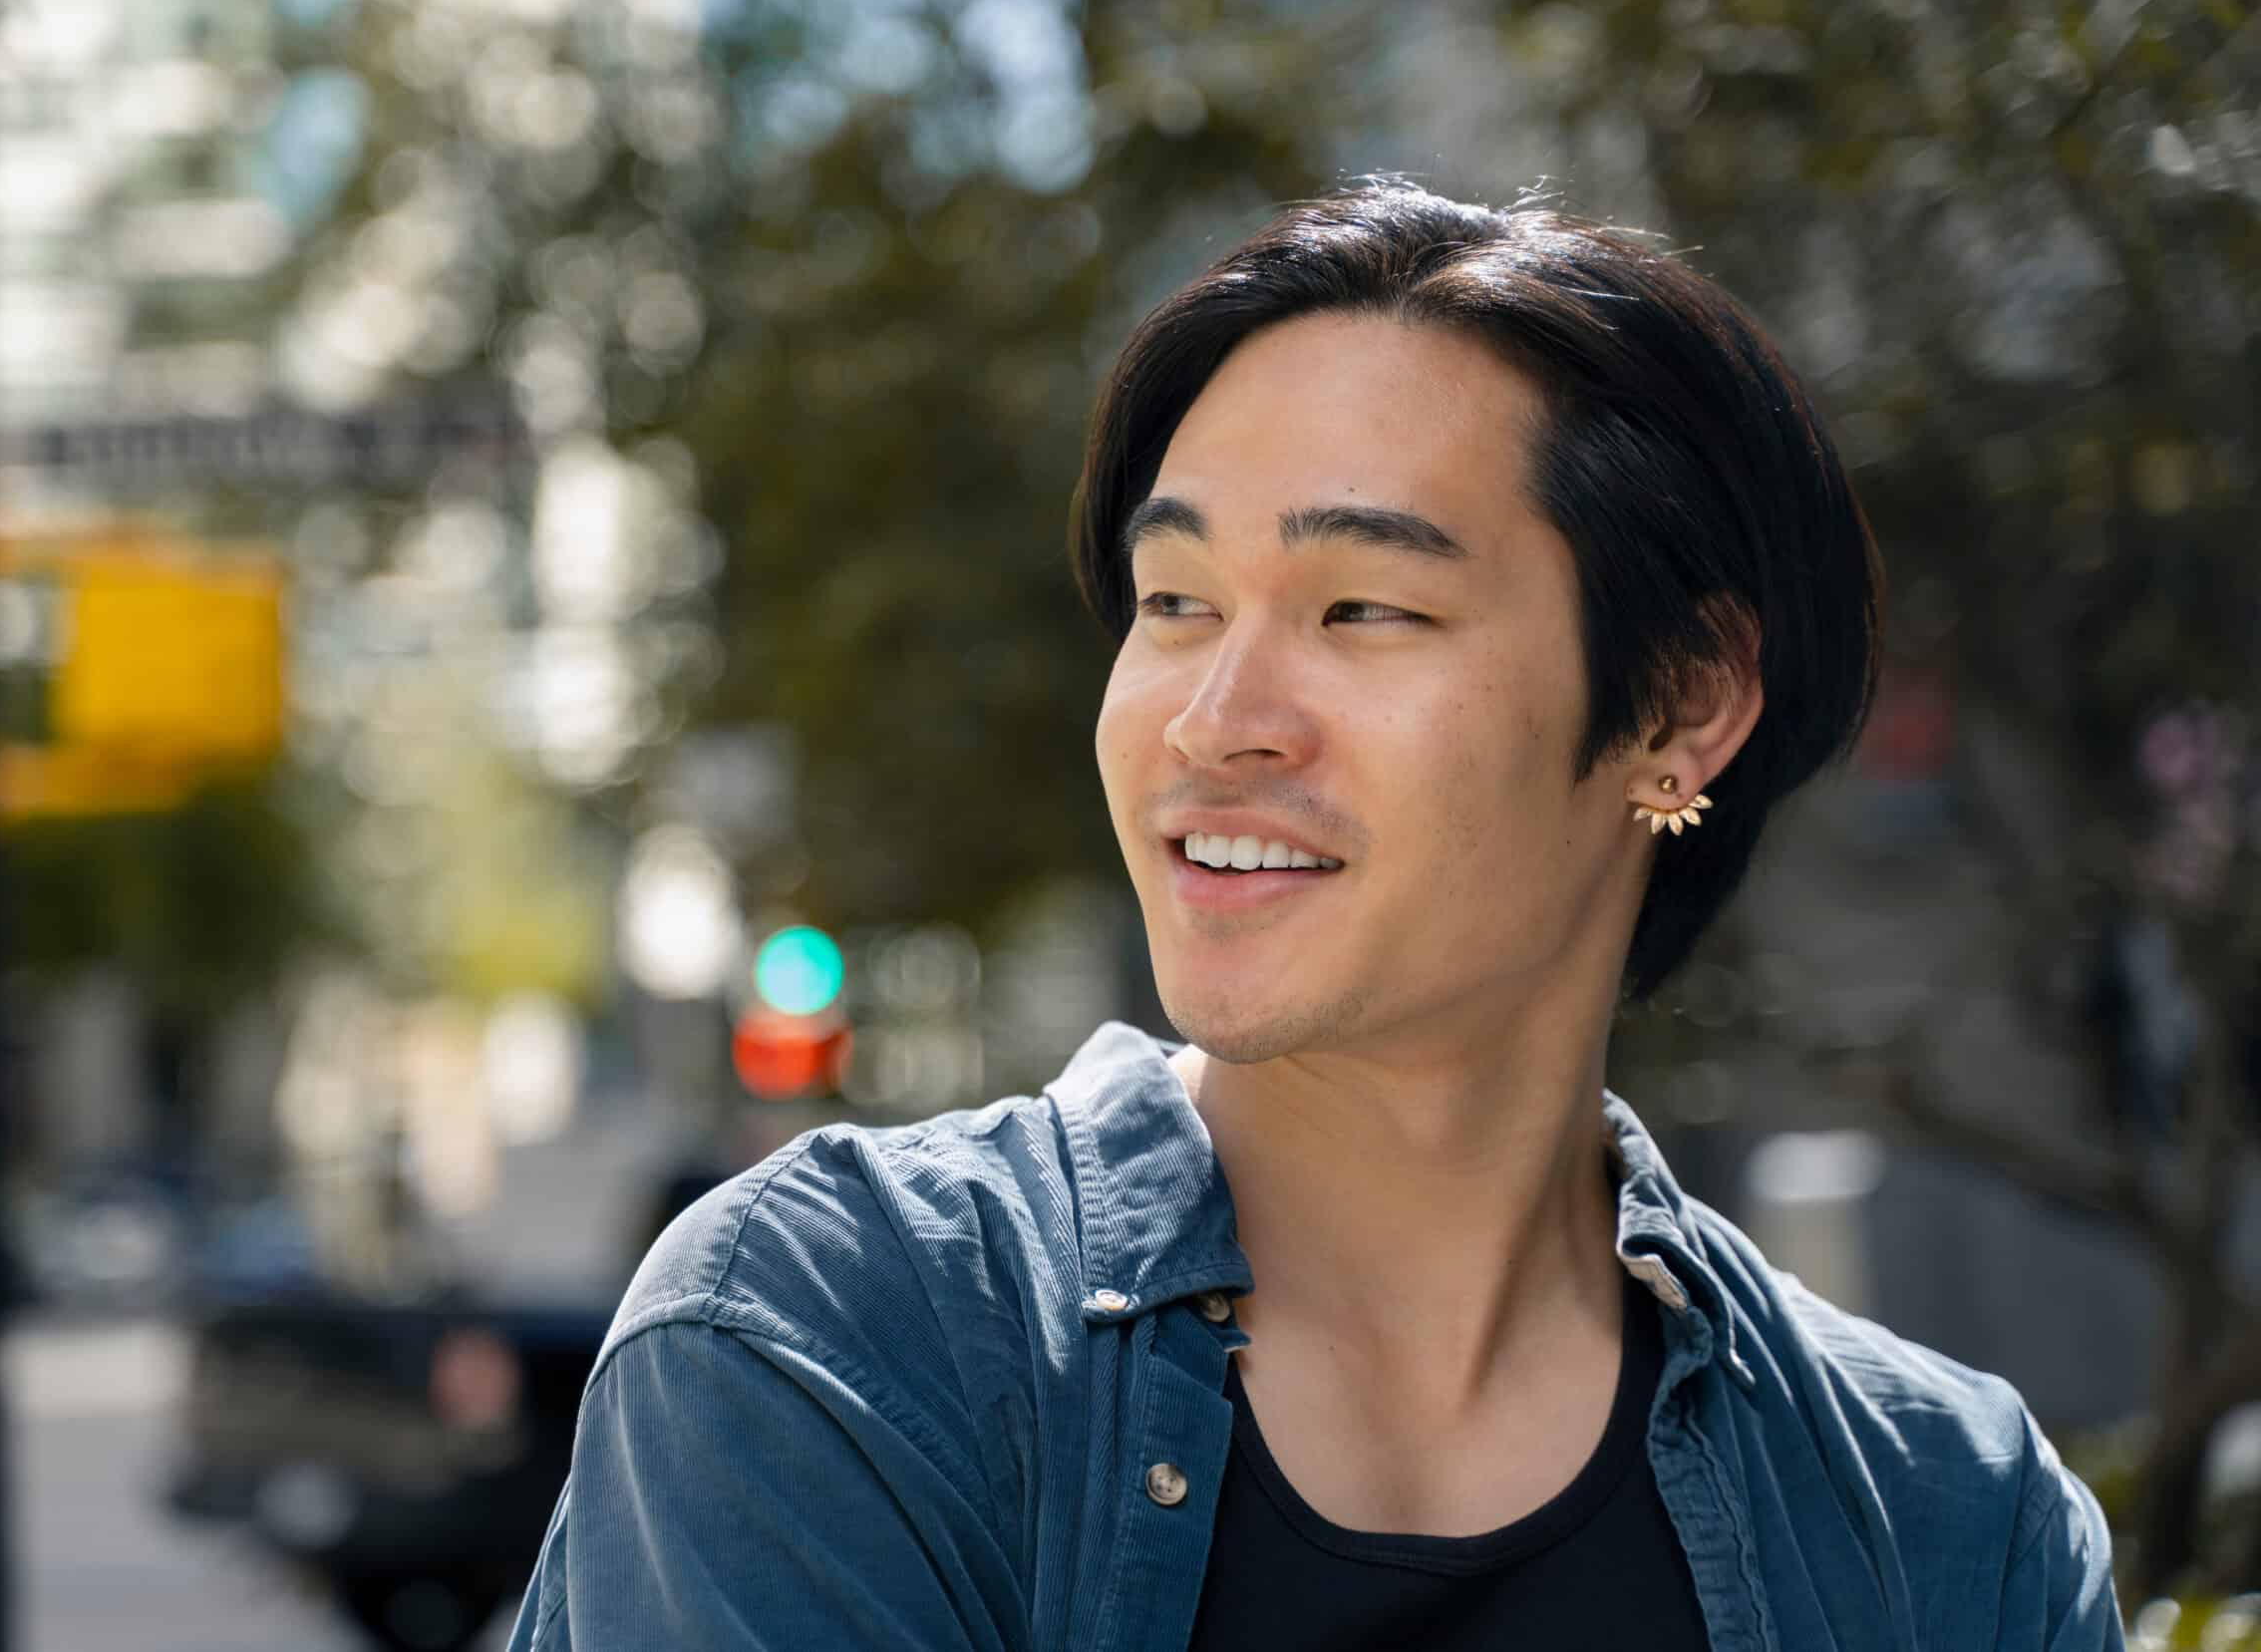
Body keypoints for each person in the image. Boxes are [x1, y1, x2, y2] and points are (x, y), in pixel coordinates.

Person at [506, 180, 2123, 1650]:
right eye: (1175, 604)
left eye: (1364, 608)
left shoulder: (1944, 1529)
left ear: (1679, 706)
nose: (1215, 720)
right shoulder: (834, 1350)